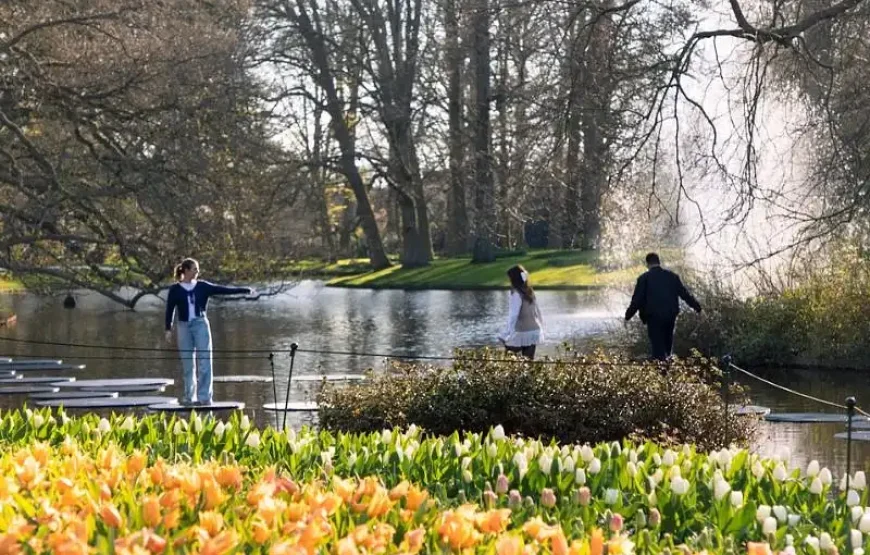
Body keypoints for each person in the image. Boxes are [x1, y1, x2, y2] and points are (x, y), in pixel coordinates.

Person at [164, 258, 254, 405]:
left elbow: (223, 290)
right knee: (188, 364)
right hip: (183, 326)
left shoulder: (203, 286)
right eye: (195, 269)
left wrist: (244, 289)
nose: (197, 272)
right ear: (186, 270)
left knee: (205, 361)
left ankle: (204, 397)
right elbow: (170, 309)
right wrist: (168, 328)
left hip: (200, 324)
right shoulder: (175, 289)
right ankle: (188, 397)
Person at [625, 252, 702, 360]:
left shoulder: (644, 278)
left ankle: (661, 369)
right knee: (667, 345)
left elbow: (637, 301)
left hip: (653, 317)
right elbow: (685, 295)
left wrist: (628, 315)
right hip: (670, 315)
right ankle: (667, 366)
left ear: (647, 264)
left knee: (657, 347)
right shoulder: (672, 277)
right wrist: (697, 307)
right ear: (658, 262)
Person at [497, 265, 544, 360]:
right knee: (529, 362)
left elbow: (513, 315)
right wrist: (542, 326)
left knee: (509, 358)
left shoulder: (516, 293)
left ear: (514, 279)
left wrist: (507, 333)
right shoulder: (529, 291)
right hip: (534, 331)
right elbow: (537, 311)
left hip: (522, 331)